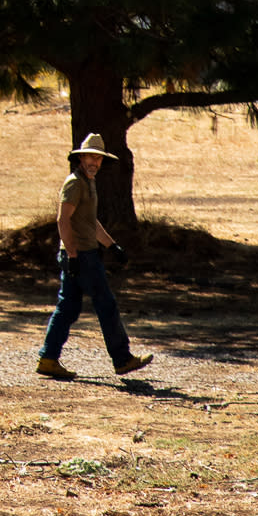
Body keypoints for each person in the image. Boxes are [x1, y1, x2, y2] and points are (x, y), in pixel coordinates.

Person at [37, 133, 153, 380]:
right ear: (81, 158)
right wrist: (72, 255)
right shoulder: (75, 183)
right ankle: (122, 359)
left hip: (82, 254)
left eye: (98, 159)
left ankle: (48, 359)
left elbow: (89, 222)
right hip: (82, 256)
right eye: (90, 157)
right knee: (106, 305)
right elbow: (63, 220)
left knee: (67, 308)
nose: (94, 162)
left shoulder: (88, 182)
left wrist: (112, 246)